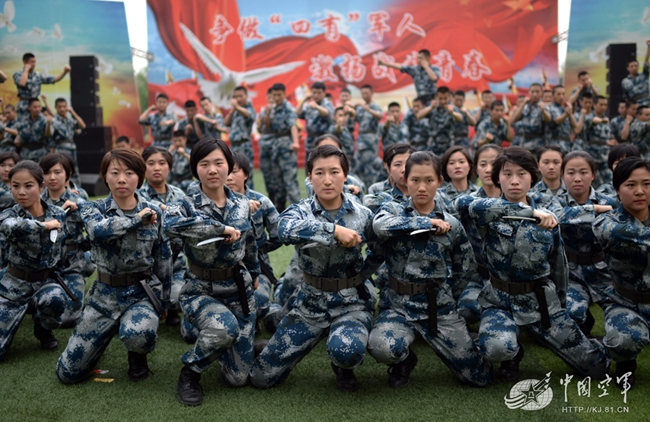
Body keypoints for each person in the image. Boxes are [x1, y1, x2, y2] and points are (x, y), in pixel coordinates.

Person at [469, 146, 609, 382]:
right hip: (500, 302)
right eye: (507, 174)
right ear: (497, 179)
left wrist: (561, 305)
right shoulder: (485, 211)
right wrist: (529, 212)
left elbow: (559, 266)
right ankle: (512, 353)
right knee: (496, 348)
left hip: (542, 302)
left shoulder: (549, 216)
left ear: (532, 178)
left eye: (521, 174)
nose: (514, 181)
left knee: (597, 369)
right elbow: (468, 205)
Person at [250, 145, 380, 393]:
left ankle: (342, 365)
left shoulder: (363, 214)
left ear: (345, 175)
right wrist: (334, 231)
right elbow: (283, 230)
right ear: (309, 177)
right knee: (261, 378)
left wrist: (360, 277)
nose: (327, 180)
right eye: (319, 173)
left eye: (334, 172)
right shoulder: (300, 211)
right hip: (309, 304)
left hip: (351, 305)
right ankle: (270, 348)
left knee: (346, 351)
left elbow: (380, 250)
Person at [369, 151, 492, 388]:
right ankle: (404, 361)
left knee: (479, 377)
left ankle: (472, 341)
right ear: (405, 180)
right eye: (415, 180)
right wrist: (425, 222)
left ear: (440, 181)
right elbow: (379, 225)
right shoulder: (393, 212)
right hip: (398, 306)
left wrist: (448, 294)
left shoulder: (451, 223)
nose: (422, 187)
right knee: (381, 347)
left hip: (438, 307)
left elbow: (465, 267)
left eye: (429, 180)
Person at [56, 148, 172, 384]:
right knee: (68, 374)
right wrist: (137, 219)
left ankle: (136, 354)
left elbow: (163, 258)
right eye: (115, 173)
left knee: (138, 335)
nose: (121, 179)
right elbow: (98, 231)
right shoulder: (93, 208)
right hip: (103, 296)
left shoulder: (155, 212)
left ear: (139, 177)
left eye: (129, 173)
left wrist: (164, 301)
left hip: (141, 293)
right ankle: (99, 343)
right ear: (105, 177)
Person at [163, 138, 259, 406]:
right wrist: (219, 229)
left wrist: (255, 272)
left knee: (237, 378)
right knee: (224, 328)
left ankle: (235, 346)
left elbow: (250, 243)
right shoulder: (184, 203)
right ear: (195, 168)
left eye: (219, 163)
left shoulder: (242, 203)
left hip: (237, 289)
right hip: (200, 290)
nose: (213, 170)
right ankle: (190, 372)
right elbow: (169, 226)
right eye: (204, 164)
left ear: (229, 166)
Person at [0, 160, 67, 361]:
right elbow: (11, 226)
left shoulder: (58, 214)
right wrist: (43, 226)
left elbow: (62, 246)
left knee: (55, 298)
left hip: (45, 283)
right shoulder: (8, 215)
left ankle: (43, 328)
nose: (21, 192)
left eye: (28, 186)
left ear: (41, 186)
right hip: (14, 286)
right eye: (15, 186)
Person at [594, 157, 650, 389]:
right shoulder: (606, 224)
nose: (640, 191)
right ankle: (625, 364)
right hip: (625, 302)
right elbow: (633, 235)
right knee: (623, 340)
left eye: (647, 184)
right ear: (617, 189)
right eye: (630, 185)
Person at [556, 151, 616, 337]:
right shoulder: (556, 202)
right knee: (570, 313)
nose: (577, 178)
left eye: (583, 172)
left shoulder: (610, 202)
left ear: (593, 175)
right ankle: (584, 322)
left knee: (624, 321)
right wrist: (594, 209)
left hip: (605, 273)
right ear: (562, 175)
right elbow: (556, 216)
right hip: (572, 275)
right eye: (570, 173)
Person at [225, 152, 281, 331]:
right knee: (191, 332)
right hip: (223, 271)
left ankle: (267, 311)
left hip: (258, 269)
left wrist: (258, 250)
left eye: (234, 171)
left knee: (258, 301)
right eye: (226, 172)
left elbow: (279, 235)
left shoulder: (261, 202)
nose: (229, 177)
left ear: (246, 174)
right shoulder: (214, 204)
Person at [138, 146, 188, 327]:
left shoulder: (180, 195)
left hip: (175, 267)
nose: (157, 168)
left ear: (169, 167)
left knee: (177, 298)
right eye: (151, 163)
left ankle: (171, 308)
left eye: (162, 163)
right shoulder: (136, 196)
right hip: (146, 269)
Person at [454, 145, 502, 324]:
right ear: (475, 168)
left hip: (508, 280)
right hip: (477, 275)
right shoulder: (466, 202)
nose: (488, 169)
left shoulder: (516, 200)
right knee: (467, 310)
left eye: (494, 164)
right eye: (483, 164)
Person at [39, 154, 88, 328]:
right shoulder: (35, 202)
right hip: (42, 268)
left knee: (67, 318)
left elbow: (96, 231)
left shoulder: (79, 202)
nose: (52, 177)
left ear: (67, 174)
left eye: (57, 172)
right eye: (47, 172)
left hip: (71, 266)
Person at [259, 83, 301, 212]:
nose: (276, 97)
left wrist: (295, 142)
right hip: (276, 146)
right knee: (277, 183)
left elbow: (293, 125)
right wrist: (267, 114)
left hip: (287, 146)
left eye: (279, 95)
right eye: (274, 95)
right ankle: (280, 211)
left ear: (284, 94)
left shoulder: (288, 108)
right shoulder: (273, 108)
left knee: (290, 181)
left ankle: (298, 211)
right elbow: (267, 127)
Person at [13, 53, 70, 121]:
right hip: (24, 106)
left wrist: (65, 72)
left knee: (40, 123)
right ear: (25, 62)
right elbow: (22, 83)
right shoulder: (18, 74)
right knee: (24, 125)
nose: (34, 64)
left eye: (35, 62)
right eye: (32, 62)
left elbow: (54, 79)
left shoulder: (38, 75)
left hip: (36, 106)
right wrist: (26, 70)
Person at [224, 86, 257, 189]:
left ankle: (249, 196)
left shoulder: (249, 109)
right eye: (235, 97)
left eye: (240, 96)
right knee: (232, 173)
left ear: (246, 96)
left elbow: (248, 115)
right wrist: (233, 110)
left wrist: (237, 107)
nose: (238, 99)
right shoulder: (235, 111)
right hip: (234, 146)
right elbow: (226, 122)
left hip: (244, 145)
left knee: (246, 174)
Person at [417, 86, 463, 156]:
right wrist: (430, 107)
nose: (443, 101)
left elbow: (460, 118)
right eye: (440, 98)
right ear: (436, 97)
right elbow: (419, 116)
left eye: (445, 98)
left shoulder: (452, 108)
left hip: (448, 144)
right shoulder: (432, 107)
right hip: (434, 144)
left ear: (449, 97)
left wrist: (452, 113)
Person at [509, 83, 551, 158]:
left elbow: (548, 120)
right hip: (524, 142)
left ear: (541, 93)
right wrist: (523, 104)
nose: (535, 94)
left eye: (537, 92)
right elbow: (514, 119)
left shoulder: (543, 105)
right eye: (532, 91)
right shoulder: (526, 106)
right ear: (529, 92)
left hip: (537, 144)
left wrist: (543, 110)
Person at [50, 98, 86, 186]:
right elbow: (49, 135)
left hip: (72, 148)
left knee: (73, 170)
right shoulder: (54, 121)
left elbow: (83, 126)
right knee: (61, 170)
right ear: (56, 107)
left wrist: (72, 112)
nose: (62, 109)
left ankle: (76, 190)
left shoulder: (69, 120)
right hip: (60, 149)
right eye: (60, 107)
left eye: (64, 106)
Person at [583, 96, 617, 188]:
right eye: (601, 104)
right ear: (594, 105)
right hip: (592, 156)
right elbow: (593, 121)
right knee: (591, 182)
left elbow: (611, 136)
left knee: (610, 179)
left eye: (605, 105)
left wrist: (612, 142)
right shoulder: (589, 117)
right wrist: (602, 120)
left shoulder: (607, 120)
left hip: (604, 156)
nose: (603, 107)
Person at [354, 85, 384, 188]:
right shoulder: (360, 108)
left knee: (371, 163)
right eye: (363, 93)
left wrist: (369, 109)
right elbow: (354, 117)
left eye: (366, 93)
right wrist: (352, 107)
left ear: (372, 93)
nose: (364, 95)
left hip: (371, 138)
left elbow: (380, 116)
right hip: (361, 138)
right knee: (361, 163)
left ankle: (372, 187)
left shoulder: (375, 106)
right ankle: (363, 186)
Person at [297, 82, 334, 162]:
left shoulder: (327, 103)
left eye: (319, 93)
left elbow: (327, 113)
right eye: (314, 93)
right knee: (310, 165)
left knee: (323, 164)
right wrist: (304, 100)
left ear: (324, 93)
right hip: (310, 141)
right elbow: (297, 113)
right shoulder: (309, 105)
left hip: (323, 140)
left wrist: (317, 107)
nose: (316, 95)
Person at [14, 98, 50, 163]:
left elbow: (48, 135)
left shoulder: (44, 120)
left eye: (39, 107)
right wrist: (18, 138)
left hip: (40, 152)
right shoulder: (23, 120)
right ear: (29, 108)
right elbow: (19, 133)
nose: (37, 109)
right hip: (25, 152)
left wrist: (49, 124)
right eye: (35, 107)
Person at [547, 85, 577, 153]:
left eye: (563, 94)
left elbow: (575, 126)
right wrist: (566, 114)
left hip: (567, 144)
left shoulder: (564, 108)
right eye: (559, 94)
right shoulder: (550, 107)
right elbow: (557, 121)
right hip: (555, 144)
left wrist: (570, 112)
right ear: (553, 95)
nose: (561, 96)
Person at [621, 39, 650, 107]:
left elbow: (646, 61)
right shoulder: (625, 81)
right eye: (632, 66)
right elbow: (625, 97)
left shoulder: (644, 75)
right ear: (628, 68)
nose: (634, 68)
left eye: (636, 66)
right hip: (635, 106)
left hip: (647, 103)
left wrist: (648, 47)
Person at [329, 106, 355, 170]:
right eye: (340, 115)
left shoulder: (347, 128)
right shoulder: (333, 128)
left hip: (350, 161)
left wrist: (349, 109)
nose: (343, 118)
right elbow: (338, 129)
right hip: (340, 162)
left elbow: (353, 115)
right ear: (334, 117)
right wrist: (338, 125)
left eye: (345, 115)